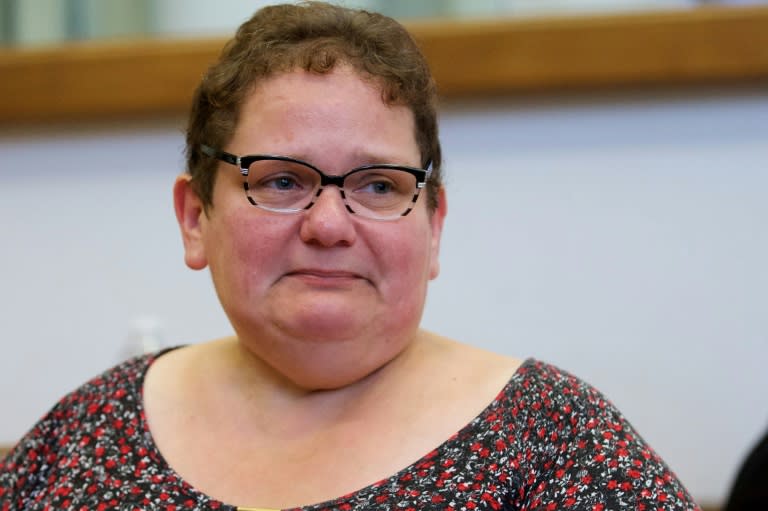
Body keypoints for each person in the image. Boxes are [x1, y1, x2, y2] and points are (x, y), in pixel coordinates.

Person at [0, 2, 700, 510]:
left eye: (378, 184)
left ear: (433, 225)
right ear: (194, 218)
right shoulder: (83, 436)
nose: (330, 224)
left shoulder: (557, 446)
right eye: (280, 179)